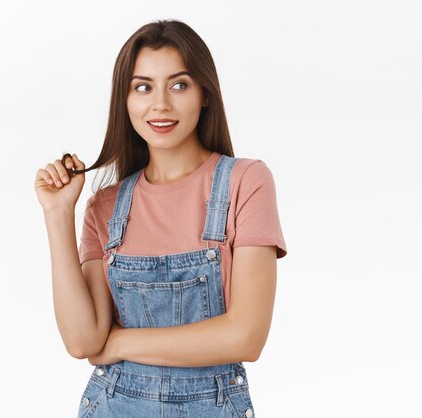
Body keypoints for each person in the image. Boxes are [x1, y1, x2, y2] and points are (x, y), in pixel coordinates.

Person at [34, 19, 287, 418]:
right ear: (126, 99)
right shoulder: (105, 206)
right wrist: (57, 213)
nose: (161, 105)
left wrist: (117, 344)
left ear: (205, 94)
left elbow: (246, 336)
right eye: (143, 87)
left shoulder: (246, 182)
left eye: (179, 84)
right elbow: (83, 341)